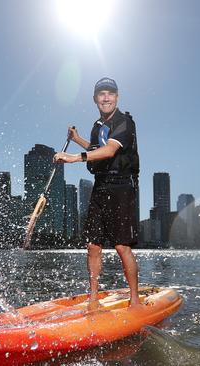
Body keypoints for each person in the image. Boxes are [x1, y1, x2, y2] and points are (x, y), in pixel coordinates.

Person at [53, 77, 141, 308]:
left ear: (117, 97)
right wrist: (76, 139)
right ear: (95, 99)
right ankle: (93, 299)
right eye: (101, 94)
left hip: (122, 185)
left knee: (122, 246)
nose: (106, 97)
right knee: (93, 245)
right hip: (100, 185)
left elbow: (110, 150)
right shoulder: (97, 126)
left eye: (110, 93)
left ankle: (134, 300)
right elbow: (95, 150)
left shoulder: (125, 122)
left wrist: (72, 158)